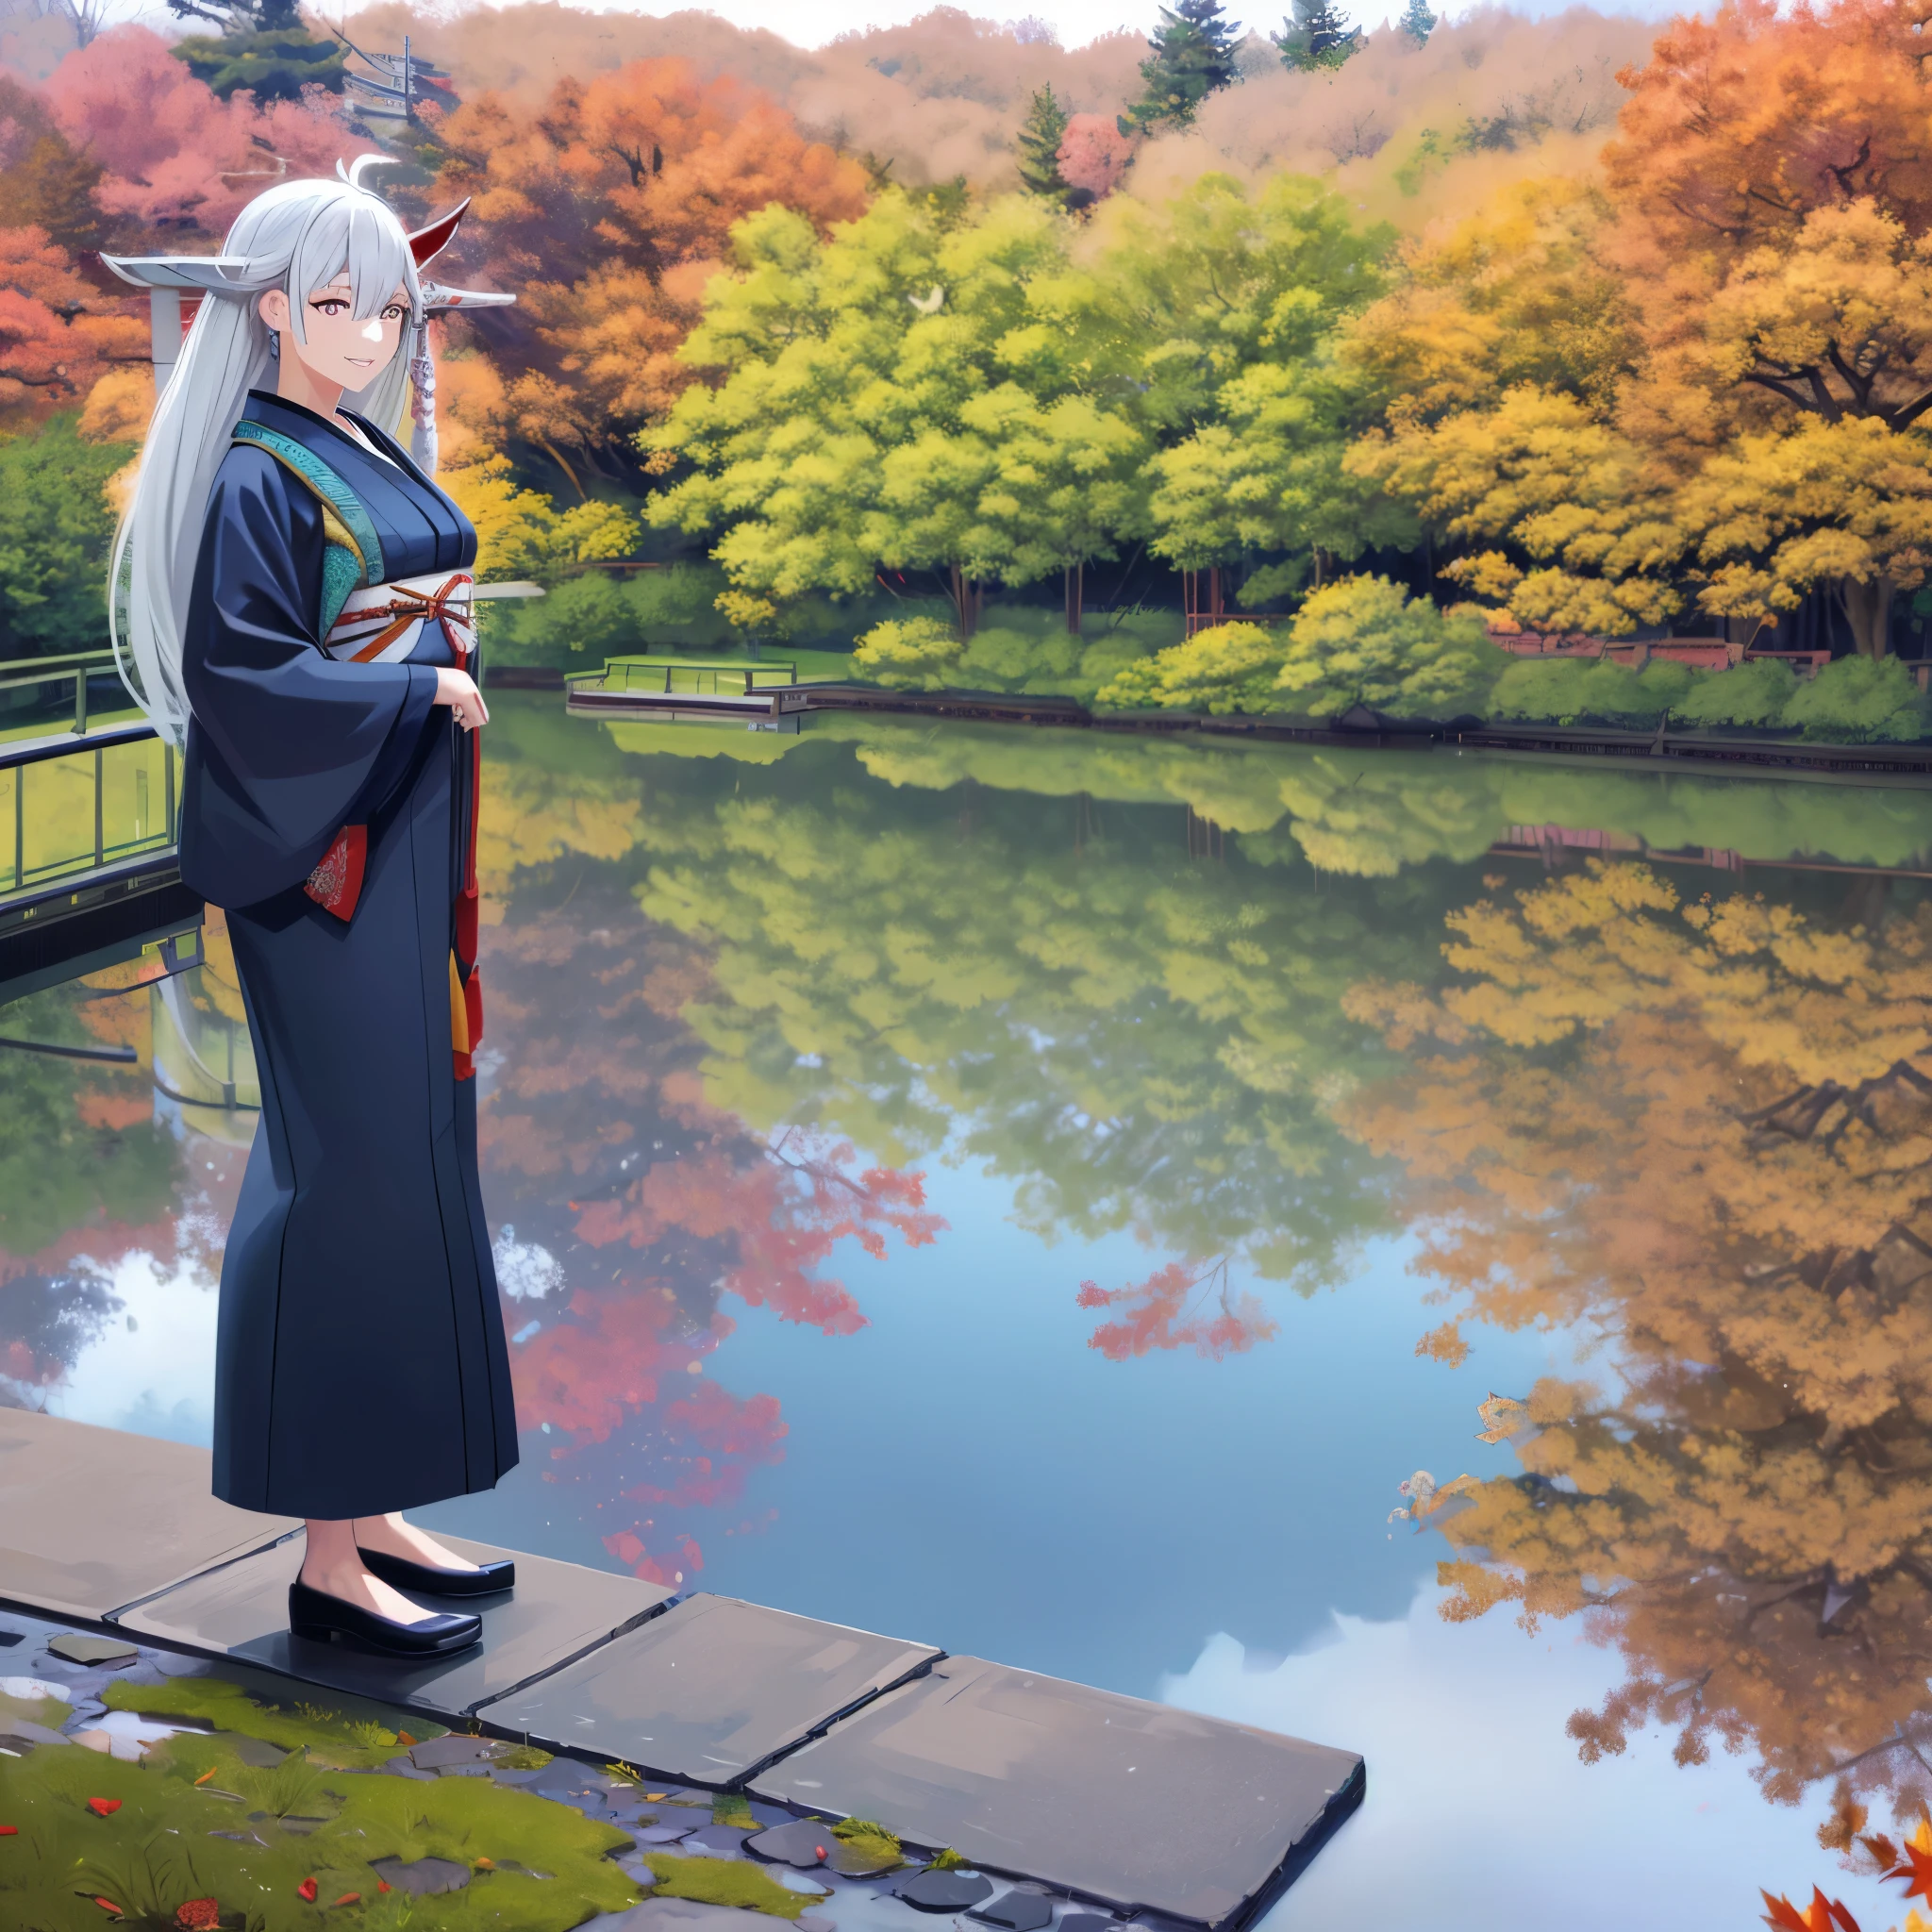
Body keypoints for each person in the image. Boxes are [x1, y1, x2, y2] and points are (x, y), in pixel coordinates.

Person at [104, 163, 519, 1658]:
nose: (373, 330)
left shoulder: (350, 446)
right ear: (272, 308)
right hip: (324, 855)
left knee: (412, 1164)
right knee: (340, 1173)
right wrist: (416, 682)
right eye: (340, 303)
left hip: (398, 825)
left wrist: (419, 686)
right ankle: (326, 1564)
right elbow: (246, 683)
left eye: (389, 306)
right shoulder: (255, 472)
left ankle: (377, 1505)